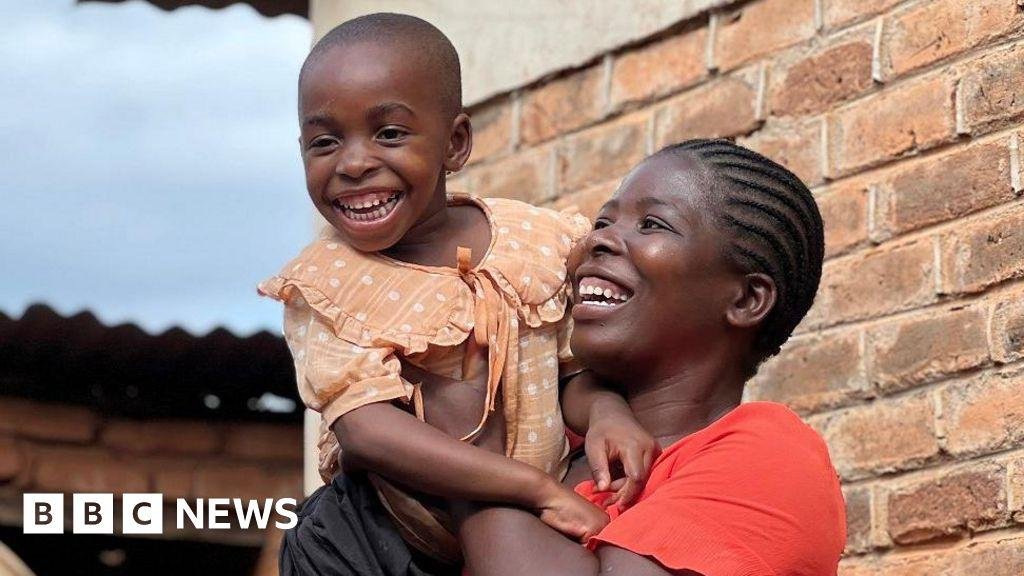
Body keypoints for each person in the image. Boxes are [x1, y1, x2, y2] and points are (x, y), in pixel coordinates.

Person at [258, 13, 657, 575]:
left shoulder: (534, 244)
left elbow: (567, 374)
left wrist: (608, 415)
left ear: (455, 142)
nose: (353, 163)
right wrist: (535, 490)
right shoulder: (328, 284)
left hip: (513, 534)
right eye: (324, 142)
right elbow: (367, 432)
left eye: (389, 134)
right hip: (376, 541)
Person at [453, 139, 847, 575]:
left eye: (652, 224)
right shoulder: (549, 434)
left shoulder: (771, 462)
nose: (598, 239)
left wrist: (471, 454)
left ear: (746, 299)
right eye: (603, 221)